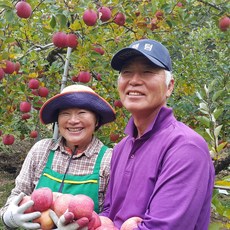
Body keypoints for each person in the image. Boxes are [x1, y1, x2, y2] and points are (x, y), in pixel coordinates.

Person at [98, 39, 215, 229]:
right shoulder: (121, 148)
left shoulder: (185, 147)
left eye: (147, 72)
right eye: (127, 72)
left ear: (169, 86)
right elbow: (110, 212)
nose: (134, 80)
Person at [0, 84, 116, 229]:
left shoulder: (108, 160)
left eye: (82, 112)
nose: (73, 120)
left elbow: (111, 214)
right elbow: (17, 195)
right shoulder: (42, 151)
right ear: (57, 121)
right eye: (65, 113)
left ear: (96, 120)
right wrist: (9, 217)